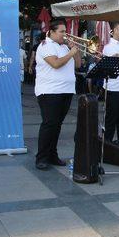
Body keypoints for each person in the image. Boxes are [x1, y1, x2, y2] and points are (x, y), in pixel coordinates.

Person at [34, 19, 80, 170]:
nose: (64, 35)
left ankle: (52, 155)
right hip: (50, 91)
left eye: (65, 31)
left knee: (57, 125)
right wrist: (71, 52)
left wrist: (75, 51)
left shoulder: (65, 47)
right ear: (51, 32)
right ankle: (41, 157)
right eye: (61, 31)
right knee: (49, 124)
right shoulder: (45, 45)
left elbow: (78, 65)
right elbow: (55, 64)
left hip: (66, 90)